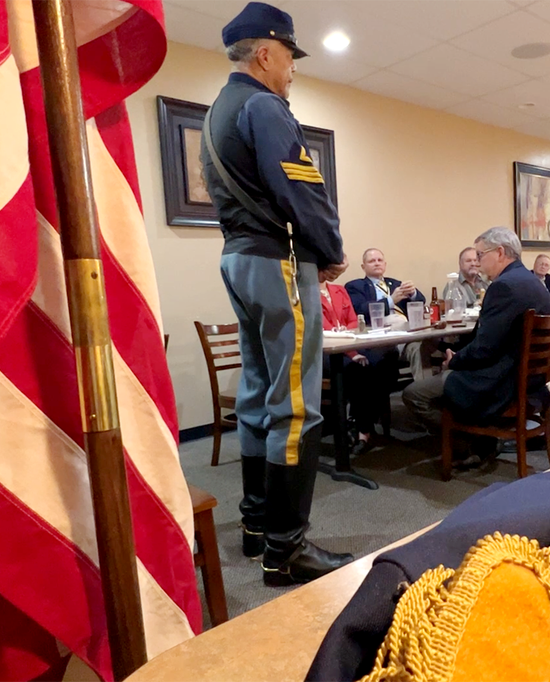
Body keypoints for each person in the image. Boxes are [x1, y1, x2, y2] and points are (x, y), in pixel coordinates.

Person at [202, 1, 352, 586]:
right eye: (290, 57)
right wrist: (331, 247)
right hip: (278, 262)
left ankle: (257, 525)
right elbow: (301, 190)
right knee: (296, 405)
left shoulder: (219, 109)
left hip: (238, 260)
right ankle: (285, 551)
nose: (293, 69)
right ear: (266, 53)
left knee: (259, 395)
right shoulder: (266, 105)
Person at [402, 227, 550, 469]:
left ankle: (471, 443)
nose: (479, 263)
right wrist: (458, 354)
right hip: (531, 379)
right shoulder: (530, 281)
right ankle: (480, 440)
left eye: (481, 255)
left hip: (500, 381)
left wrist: (453, 361)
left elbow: (484, 349)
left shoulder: (504, 286)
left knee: (414, 394)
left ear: (500, 252)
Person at [319, 273, 392, 456]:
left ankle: (363, 421)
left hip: (349, 342)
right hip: (323, 351)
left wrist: (350, 340)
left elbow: (353, 319)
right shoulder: (305, 293)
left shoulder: (339, 290)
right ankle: (363, 431)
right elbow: (324, 330)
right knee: (357, 369)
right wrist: (353, 354)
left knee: (384, 361)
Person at [345, 248, 425, 321]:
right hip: (378, 325)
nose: (377, 264)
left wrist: (413, 293)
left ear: (385, 264)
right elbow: (361, 310)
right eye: (372, 261)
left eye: (380, 260)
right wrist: (391, 300)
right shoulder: (355, 286)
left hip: (404, 323)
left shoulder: (395, 283)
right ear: (363, 267)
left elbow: (421, 302)